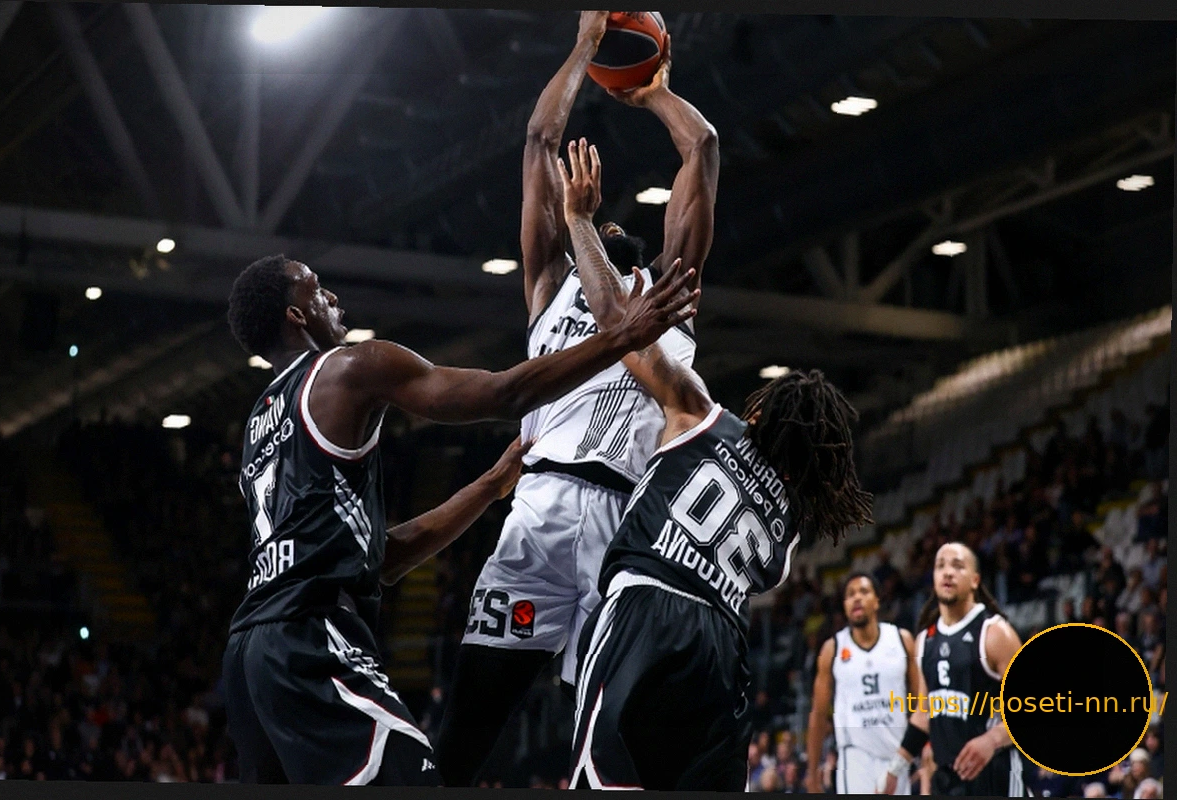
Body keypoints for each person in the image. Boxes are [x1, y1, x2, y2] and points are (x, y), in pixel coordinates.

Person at [220, 253, 695, 785]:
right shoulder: (349, 368)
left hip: (247, 653)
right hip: (308, 635)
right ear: (296, 315)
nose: (333, 298)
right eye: (316, 289)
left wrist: (489, 486)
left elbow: (386, 560)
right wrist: (623, 336)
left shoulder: (259, 423)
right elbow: (504, 393)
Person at [436, 9, 720, 787]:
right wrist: (585, 46)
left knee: (603, 733)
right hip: (536, 517)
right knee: (468, 724)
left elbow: (702, 147)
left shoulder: (668, 295)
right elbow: (538, 142)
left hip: (621, 528)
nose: (609, 220)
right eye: (596, 221)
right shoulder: (550, 284)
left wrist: (653, 92)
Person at [557, 138, 872, 790]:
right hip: (722, 647)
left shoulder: (703, 414)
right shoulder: (787, 526)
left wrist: (579, 221)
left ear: (761, 412)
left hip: (647, 608)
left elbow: (615, 320)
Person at [881, 542, 1026, 796]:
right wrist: (895, 768)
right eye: (940, 566)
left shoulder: (994, 633)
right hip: (946, 779)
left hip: (994, 776)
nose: (947, 572)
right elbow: (924, 713)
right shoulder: (925, 640)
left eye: (958, 566)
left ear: (975, 580)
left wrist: (991, 740)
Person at [806, 572, 920, 794]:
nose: (856, 598)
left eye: (864, 591)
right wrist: (812, 774)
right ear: (844, 606)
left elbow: (920, 704)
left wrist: (923, 750)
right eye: (850, 594)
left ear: (877, 601)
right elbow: (818, 715)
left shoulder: (902, 640)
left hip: (897, 757)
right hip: (855, 757)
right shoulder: (833, 649)